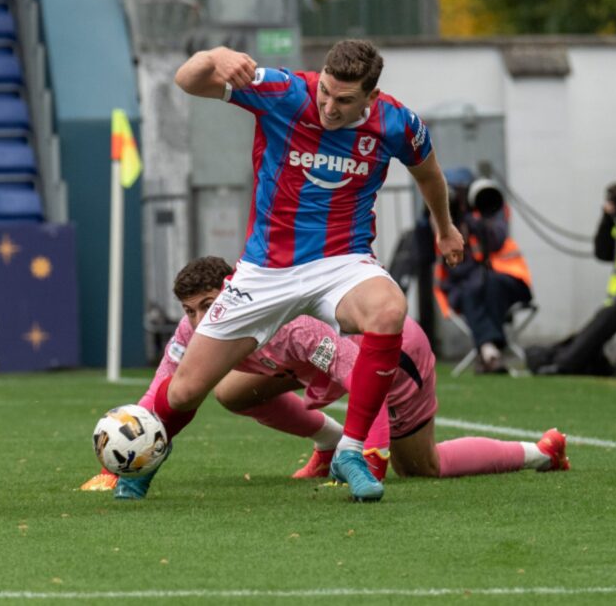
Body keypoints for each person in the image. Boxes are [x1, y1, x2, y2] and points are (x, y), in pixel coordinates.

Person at [155, 39, 466, 502]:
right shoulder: (283, 91)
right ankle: (138, 466)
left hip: (342, 261)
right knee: (188, 391)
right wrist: (215, 56)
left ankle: (350, 450)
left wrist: (445, 228)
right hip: (266, 269)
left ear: (371, 96)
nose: (329, 107)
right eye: (325, 91)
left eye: (344, 100)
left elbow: (429, 173)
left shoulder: (398, 123)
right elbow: (187, 80)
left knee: (388, 309)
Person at [80, 257, 568, 498]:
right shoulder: (197, 330)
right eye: (190, 311)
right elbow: (163, 394)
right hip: (311, 366)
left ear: (230, 292)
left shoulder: (290, 323)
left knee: (422, 468)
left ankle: (541, 452)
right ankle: (328, 443)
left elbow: (364, 381)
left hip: (392, 359)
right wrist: (128, 463)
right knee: (228, 390)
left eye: (208, 306)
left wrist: (370, 459)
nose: (199, 320)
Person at [528, 173, 616, 377]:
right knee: (605, 317)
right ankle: (563, 362)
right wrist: (608, 218)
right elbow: (603, 252)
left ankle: (564, 362)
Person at [434, 168, 532, 373]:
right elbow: (447, 264)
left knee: (486, 285)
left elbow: (497, 239)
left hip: (508, 281)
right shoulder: (442, 222)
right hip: (462, 288)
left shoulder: (488, 207)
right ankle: (491, 351)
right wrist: (439, 214)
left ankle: (488, 350)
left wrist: (472, 218)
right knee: (474, 289)